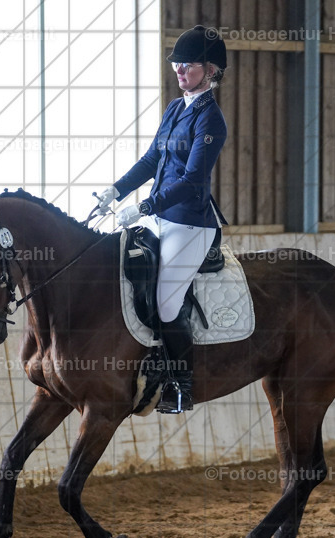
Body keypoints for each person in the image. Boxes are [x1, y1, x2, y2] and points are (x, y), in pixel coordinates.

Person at [95, 25, 228, 414]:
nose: (180, 70)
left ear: (211, 70)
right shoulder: (175, 108)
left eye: (188, 65)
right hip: (158, 216)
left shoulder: (211, 121)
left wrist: (146, 206)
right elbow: (152, 160)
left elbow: (192, 181)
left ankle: (181, 386)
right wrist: (115, 191)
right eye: (177, 64)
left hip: (189, 222)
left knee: (166, 301)